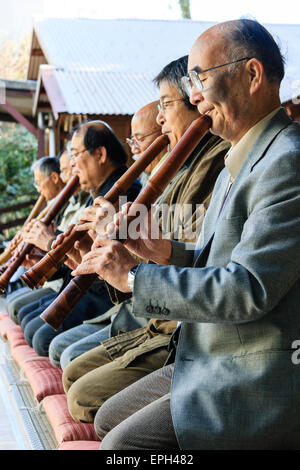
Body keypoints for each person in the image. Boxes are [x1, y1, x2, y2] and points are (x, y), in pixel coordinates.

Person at [71, 19, 300, 450]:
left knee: (120, 448)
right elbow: (224, 258)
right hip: (204, 352)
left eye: (201, 79)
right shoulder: (245, 155)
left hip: (251, 371)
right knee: (106, 418)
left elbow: (248, 287)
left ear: (252, 75)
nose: (195, 97)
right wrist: (166, 252)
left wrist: (135, 278)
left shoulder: (286, 162)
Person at [60, 55, 229, 424]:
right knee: (69, 368)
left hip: (181, 326)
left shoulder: (220, 164)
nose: (161, 119)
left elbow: (199, 258)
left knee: (80, 388)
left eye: (166, 106)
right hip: (152, 315)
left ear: (197, 101)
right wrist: (101, 258)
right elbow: (164, 249)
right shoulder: (182, 168)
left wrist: (133, 266)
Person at [48, 56, 203, 372]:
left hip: (162, 316)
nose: (135, 148)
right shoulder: (168, 178)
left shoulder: (165, 181)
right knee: (50, 341)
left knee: (61, 353)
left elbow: (186, 257)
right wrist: (83, 256)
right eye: (132, 140)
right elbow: (147, 255)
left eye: (165, 107)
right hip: (138, 306)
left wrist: (129, 256)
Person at [23, 121, 141, 357]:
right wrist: (49, 258)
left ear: (100, 154)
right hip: (89, 288)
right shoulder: (97, 193)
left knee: (42, 338)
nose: (73, 165)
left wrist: (51, 243)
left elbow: (118, 273)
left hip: (108, 299)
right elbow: (84, 259)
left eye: (76, 155)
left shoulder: (127, 193)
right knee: (29, 323)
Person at [5, 155, 67, 324]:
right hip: (57, 278)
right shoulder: (57, 204)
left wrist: (47, 243)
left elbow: (69, 247)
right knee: (14, 305)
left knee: (24, 317)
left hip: (65, 283)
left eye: (39, 183)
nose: (38, 190)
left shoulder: (71, 202)